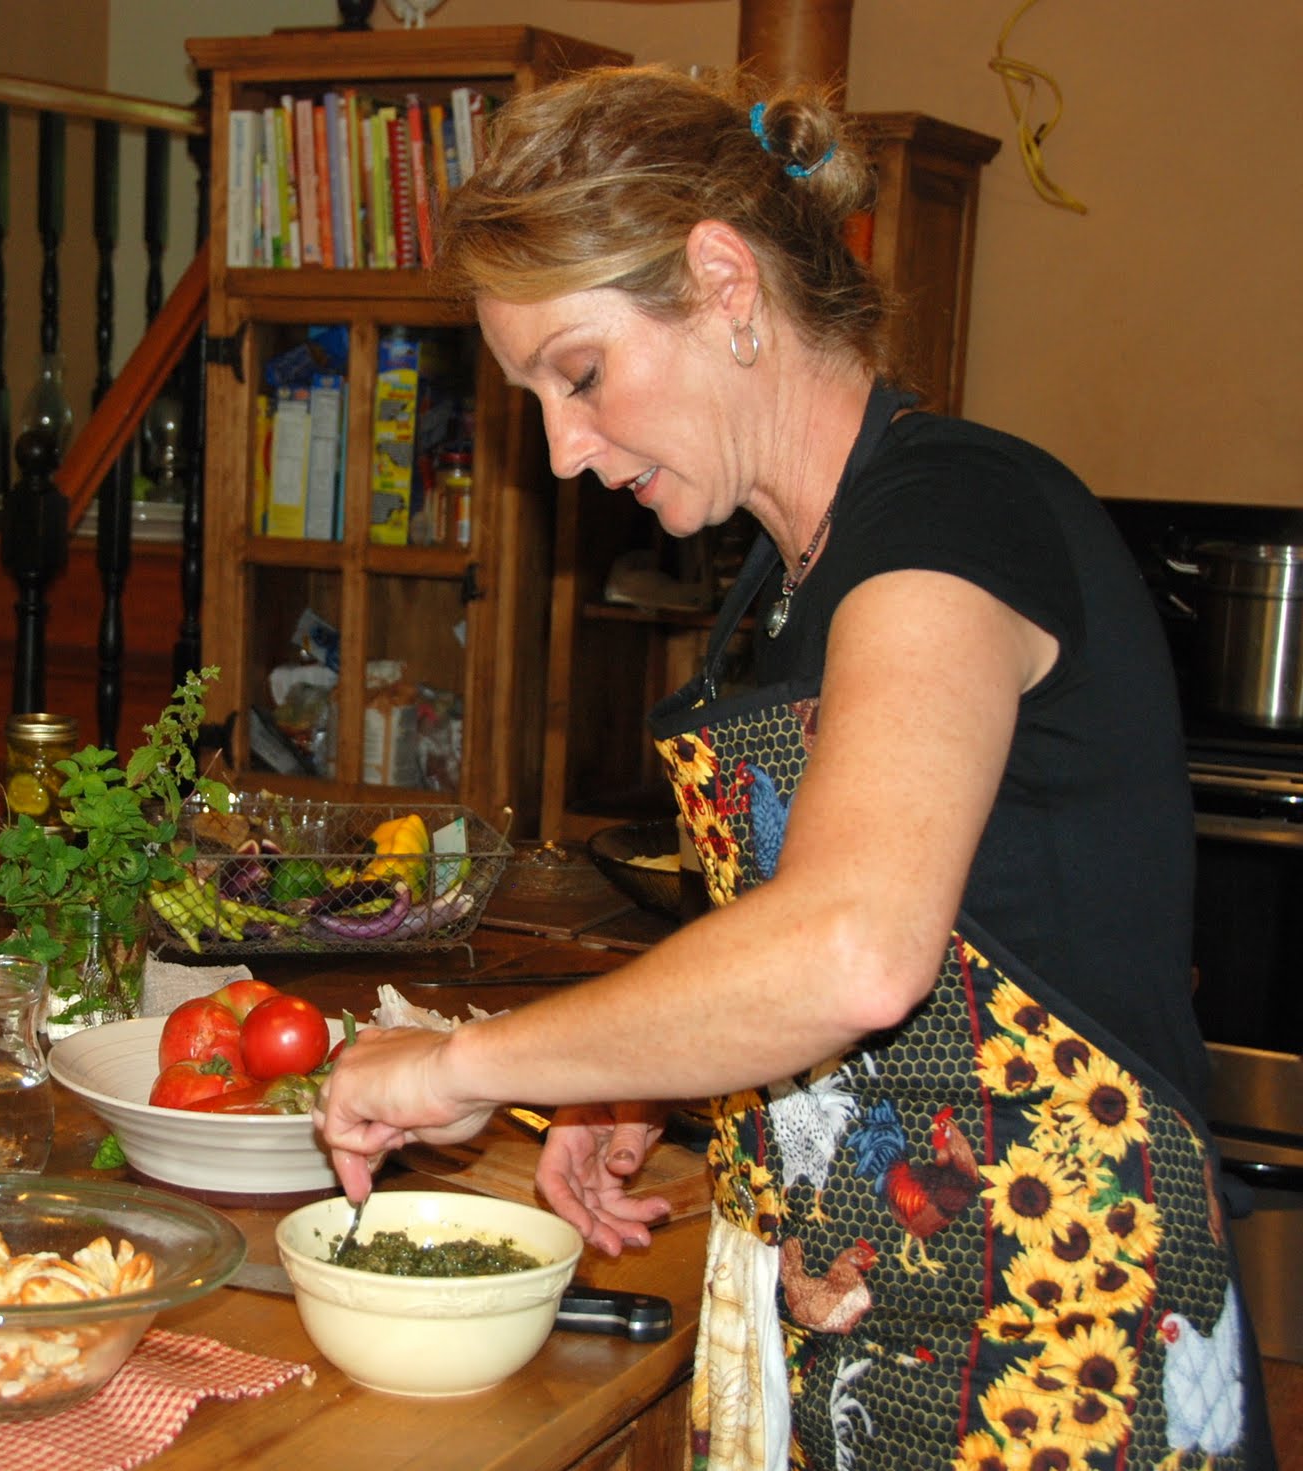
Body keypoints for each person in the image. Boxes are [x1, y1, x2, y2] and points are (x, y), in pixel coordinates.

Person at [314, 64, 1275, 1471]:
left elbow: (852, 950)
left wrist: (465, 1067)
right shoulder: (779, 586)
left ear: (725, 281)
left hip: (1054, 1341)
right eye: (535, 401)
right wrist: (638, 1079)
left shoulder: (954, 517)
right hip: (849, 1319)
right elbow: (894, 963)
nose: (567, 453)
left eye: (579, 374)